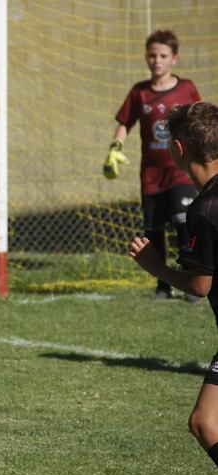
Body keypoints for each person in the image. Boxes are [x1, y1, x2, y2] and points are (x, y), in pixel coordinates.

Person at [128, 101, 218, 468]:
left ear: (178, 149)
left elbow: (199, 286)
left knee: (204, 423)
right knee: (202, 422)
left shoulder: (205, 209)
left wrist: (155, 267)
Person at [105, 29, 202, 300]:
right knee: (154, 232)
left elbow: (199, 121)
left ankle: (192, 283)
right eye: (152, 55)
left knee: (185, 226)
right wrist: (116, 148)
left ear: (174, 59)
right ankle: (163, 286)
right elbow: (124, 123)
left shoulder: (186, 88)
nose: (156, 60)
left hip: (180, 173)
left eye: (162, 55)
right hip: (151, 176)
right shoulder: (140, 92)